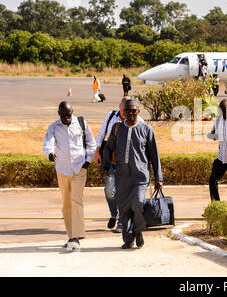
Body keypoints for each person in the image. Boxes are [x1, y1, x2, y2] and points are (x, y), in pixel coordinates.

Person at [101, 99, 163, 249]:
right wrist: (104, 168)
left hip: (140, 177)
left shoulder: (147, 130)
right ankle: (128, 239)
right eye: (127, 111)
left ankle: (138, 230)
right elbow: (108, 149)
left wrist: (158, 177)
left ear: (138, 112)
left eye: (133, 111)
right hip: (122, 177)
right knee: (124, 208)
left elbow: (154, 155)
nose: (130, 114)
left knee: (138, 202)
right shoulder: (117, 129)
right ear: (123, 113)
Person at [43, 101, 96, 250]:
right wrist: (50, 153)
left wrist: (87, 161)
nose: (66, 118)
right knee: (66, 203)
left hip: (80, 168)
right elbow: (48, 142)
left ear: (72, 112)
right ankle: (71, 235)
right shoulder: (53, 127)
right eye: (63, 116)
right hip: (63, 170)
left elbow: (91, 143)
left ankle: (75, 237)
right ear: (59, 115)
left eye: (69, 115)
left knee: (76, 200)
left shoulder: (81, 123)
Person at [93, 97, 144, 233]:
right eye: (123, 110)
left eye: (127, 110)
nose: (125, 114)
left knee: (123, 193)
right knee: (109, 190)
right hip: (112, 161)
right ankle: (114, 214)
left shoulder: (140, 122)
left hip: (127, 166)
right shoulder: (110, 117)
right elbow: (101, 135)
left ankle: (122, 222)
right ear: (120, 107)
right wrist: (97, 152)